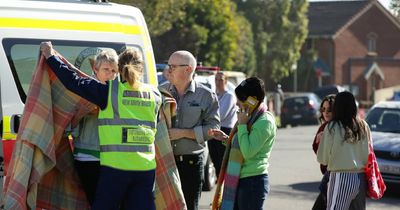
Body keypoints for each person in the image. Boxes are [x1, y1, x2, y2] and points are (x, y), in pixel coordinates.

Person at [40, 42, 161, 210]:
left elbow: (73, 82)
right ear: (141, 69)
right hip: (146, 169)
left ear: (119, 69)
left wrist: (51, 57)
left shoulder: (110, 92)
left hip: (116, 169)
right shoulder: (154, 94)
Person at [160, 50, 220, 210]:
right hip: (165, 161)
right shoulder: (160, 92)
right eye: (168, 66)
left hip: (191, 162)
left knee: (189, 206)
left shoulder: (206, 95)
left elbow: (214, 129)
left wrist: (182, 133)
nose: (168, 70)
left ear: (188, 69)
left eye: (173, 66)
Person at [209, 77, 276, 210]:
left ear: (252, 100)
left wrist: (242, 125)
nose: (237, 103)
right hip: (241, 180)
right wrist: (226, 139)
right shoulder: (250, 117)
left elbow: (248, 151)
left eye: (240, 99)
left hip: (252, 183)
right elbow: (242, 144)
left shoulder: (264, 121)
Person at [72, 49, 118, 205]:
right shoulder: (84, 88)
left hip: (113, 157)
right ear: (95, 69)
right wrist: (86, 111)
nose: (111, 74)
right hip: (87, 156)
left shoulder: (118, 91)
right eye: (106, 69)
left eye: (114, 70)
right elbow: (69, 119)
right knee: (93, 202)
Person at [317, 91, 369, 210]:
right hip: (360, 178)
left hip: (341, 177)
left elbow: (322, 159)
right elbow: (367, 156)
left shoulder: (332, 127)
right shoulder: (363, 126)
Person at [208, 71, 237, 176]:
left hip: (225, 130)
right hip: (214, 129)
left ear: (226, 81)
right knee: (216, 161)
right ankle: (220, 185)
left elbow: (221, 115)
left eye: (220, 80)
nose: (218, 82)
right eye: (216, 79)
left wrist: (208, 115)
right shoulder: (214, 95)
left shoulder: (229, 96)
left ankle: (226, 185)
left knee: (224, 162)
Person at [311, 94, 335, 210]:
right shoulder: (323, 127)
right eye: (323, 109)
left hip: (335, 175)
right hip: (327, 174)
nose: (326, 112)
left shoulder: (337, 128)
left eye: (329, 109)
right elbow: (316, 149)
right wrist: (319, 141)